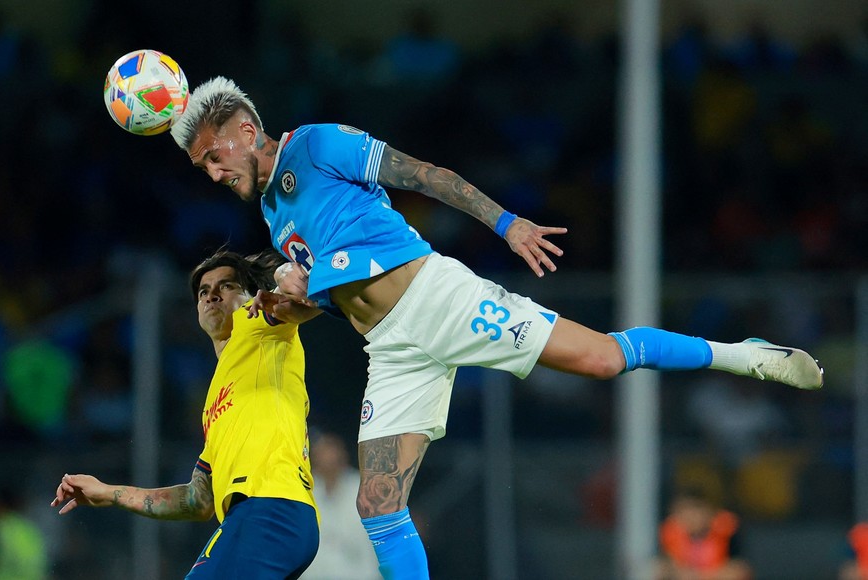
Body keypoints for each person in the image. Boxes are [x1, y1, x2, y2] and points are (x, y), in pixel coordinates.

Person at [170, 77, 824, 580]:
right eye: (203, 169)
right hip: (394, 349)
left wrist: (507, 223)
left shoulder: (316, 145)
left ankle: (743, 355)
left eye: (213, 156)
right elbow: (338, 295)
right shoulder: (274, 212)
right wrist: (294, 303)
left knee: (600, 360)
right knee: (378, 504)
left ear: (247, 128)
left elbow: (425, 175)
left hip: (438, 298)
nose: (214, 172)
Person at [51, 249, 322, 579]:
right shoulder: (216, 399)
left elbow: (305, 301)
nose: (212, 295)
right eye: (203, 291)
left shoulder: (257, 326)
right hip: (262, 517)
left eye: (226, 286)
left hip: (269, 509)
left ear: (249, 296)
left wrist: (286, 278)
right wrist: (108, 493)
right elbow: (198, 500)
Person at [301, 430, 381, 580]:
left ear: (342, 456)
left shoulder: (365, 489)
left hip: (358, 574)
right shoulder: (306, 491)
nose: (326, 459)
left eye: (330, 452)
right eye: (320, 454)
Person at [653, 488, 752, 580]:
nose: (692, 518)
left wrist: (703, 575)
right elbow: (667, 565)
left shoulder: (727, 530)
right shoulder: (670, 533)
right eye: (686, 512)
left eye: (697, 511)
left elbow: (739, 568)